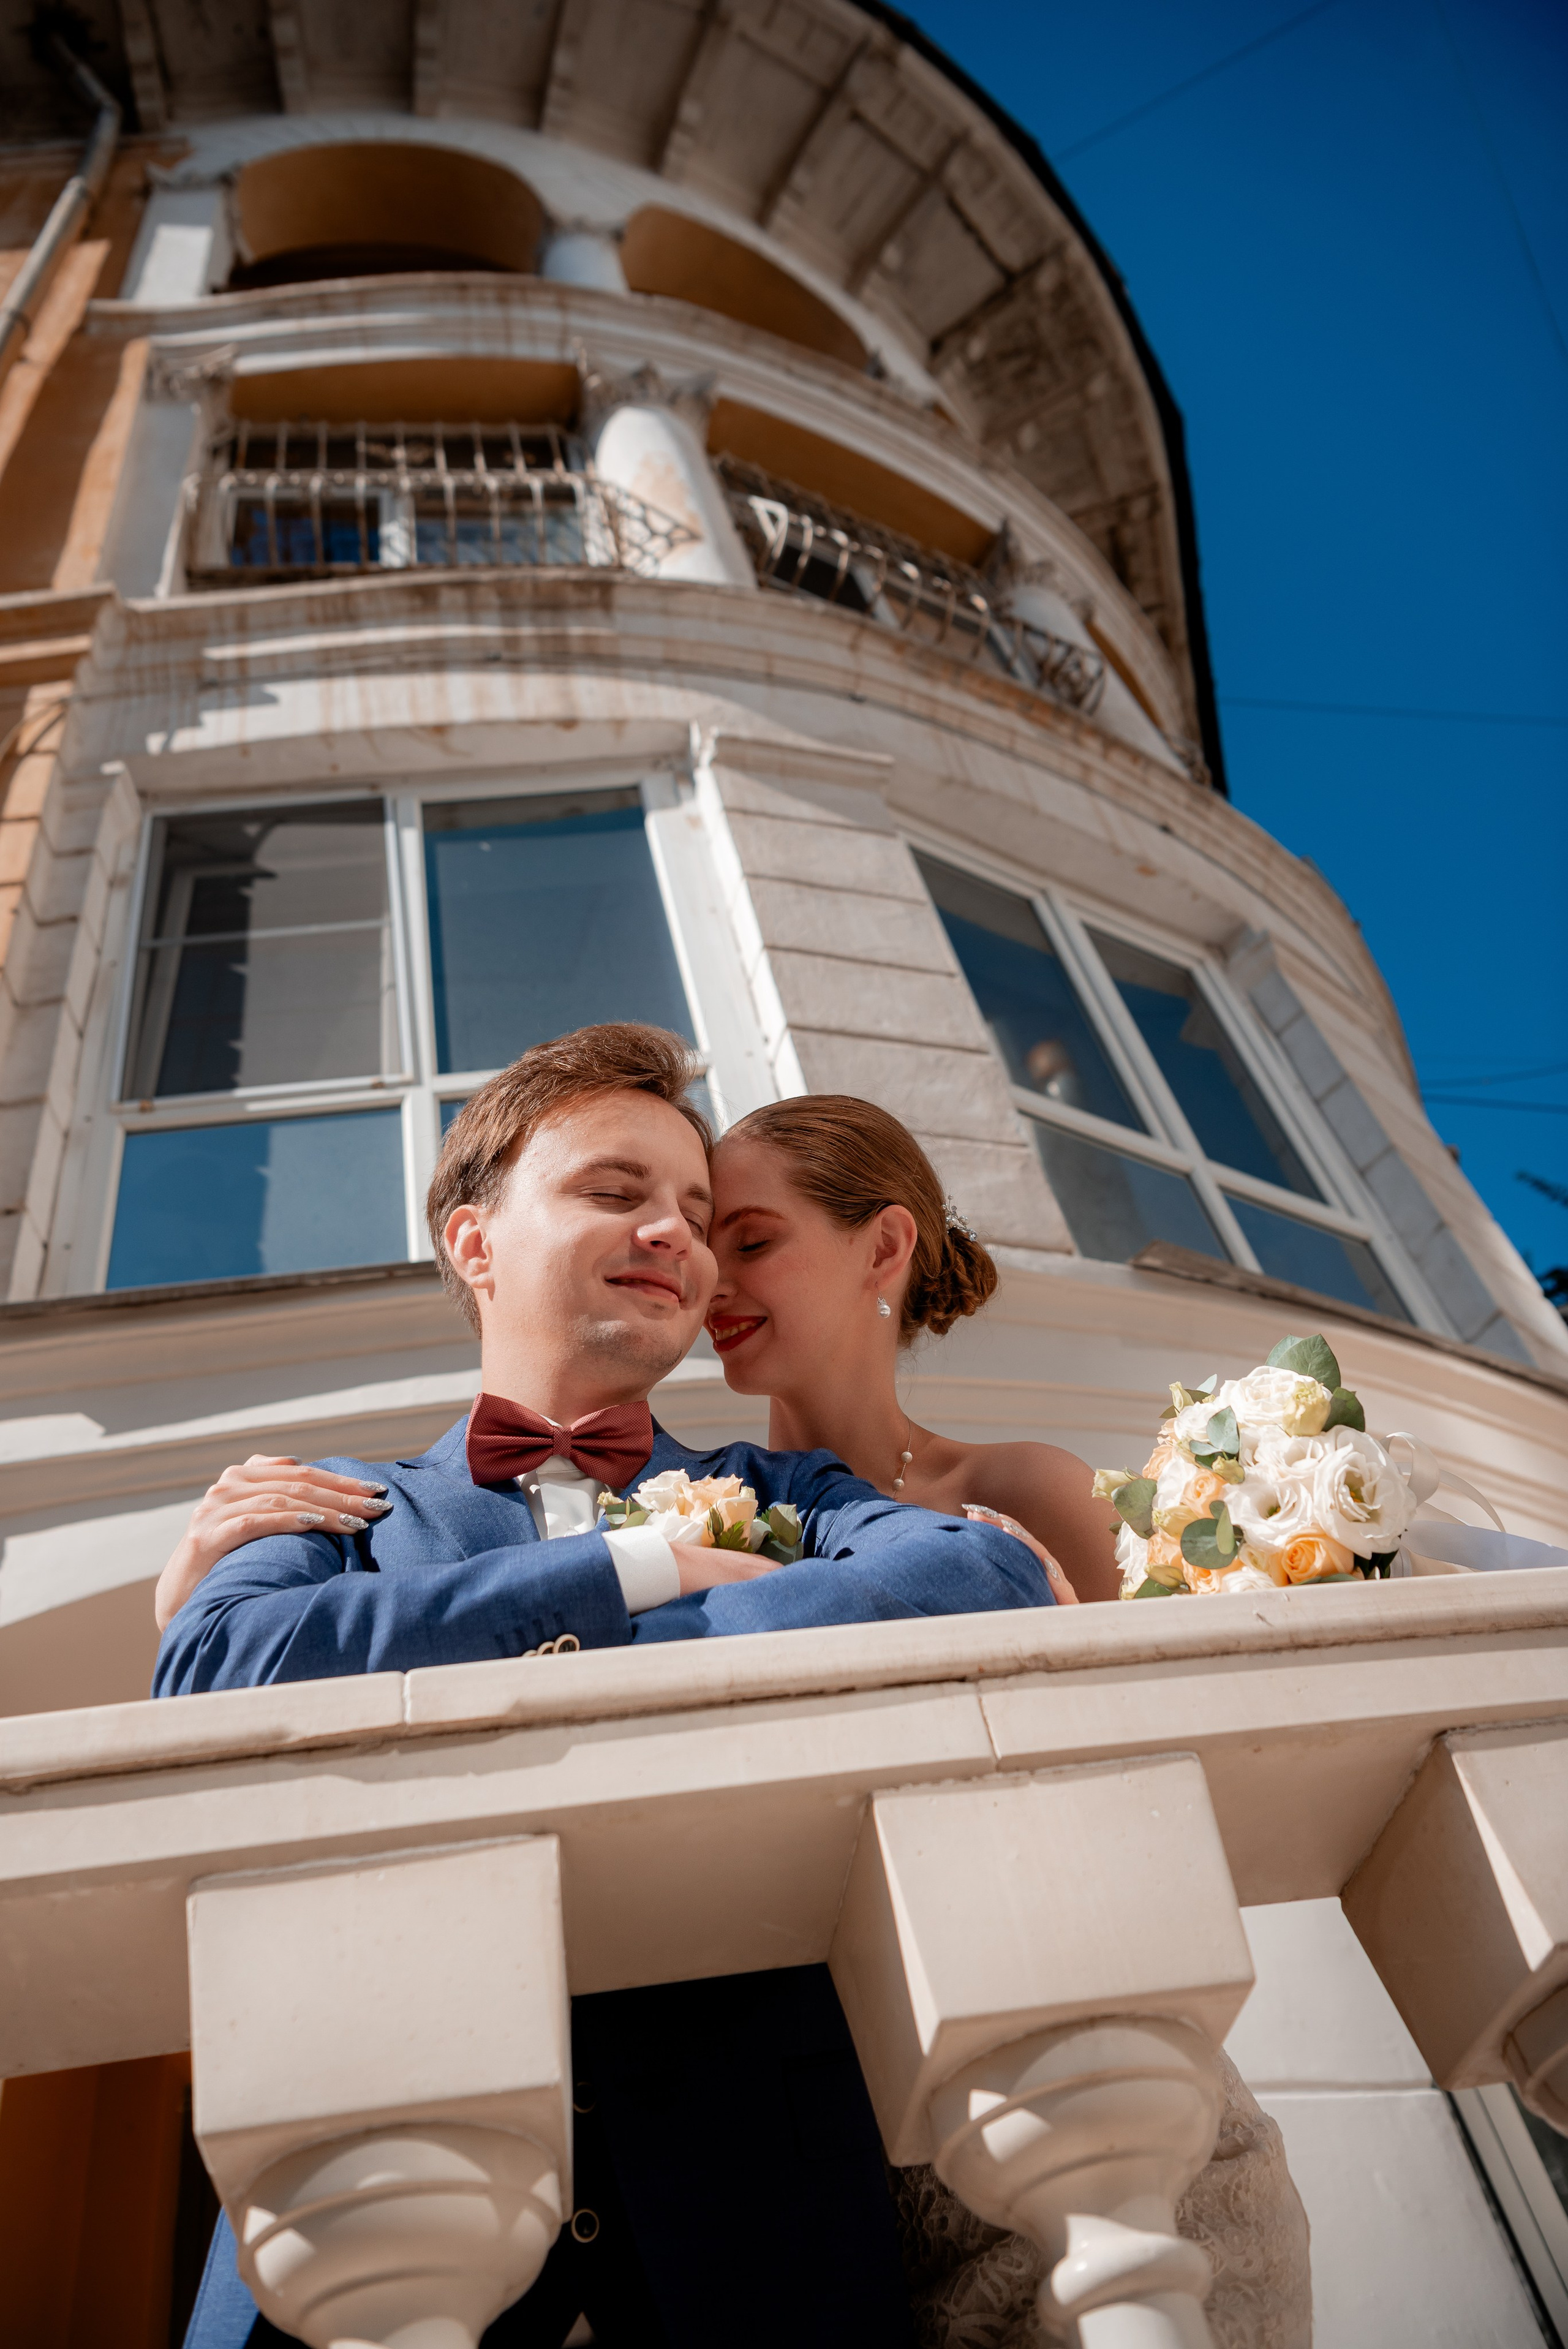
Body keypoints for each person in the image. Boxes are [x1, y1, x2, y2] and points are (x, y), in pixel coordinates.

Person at [155, 1022, 1058, 2349]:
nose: (675, 1237)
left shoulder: (785, 1492)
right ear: (473, 1242)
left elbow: (978, 1580)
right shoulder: (330, 1501)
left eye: (694, 1209)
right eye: (614, 1192)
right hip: (367, 2202)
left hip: (756, 2215)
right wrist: (636, 1572)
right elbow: (216, 1666)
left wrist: (504, 1654)